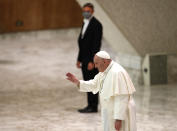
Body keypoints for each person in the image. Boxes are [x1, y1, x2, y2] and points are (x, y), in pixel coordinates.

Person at [66, 51, 137, 131]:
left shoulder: (117, 72)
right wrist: (78, 82)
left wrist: (118, 119)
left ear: (105, 61)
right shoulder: (104, 71)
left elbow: (121, 97)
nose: (95, 66)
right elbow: (94, 84)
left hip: (119, 113)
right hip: (109, 111)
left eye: (97, 63)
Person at [76, 3, 103, 113]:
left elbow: (96, 45)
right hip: (84, 58)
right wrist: (79, 59)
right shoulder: (84, 23)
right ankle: (89, 104)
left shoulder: (97, 25)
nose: (85, 13)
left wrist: (93, 61)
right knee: (87, 82)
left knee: (92, 82)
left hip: (91, 59)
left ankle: (93, 106)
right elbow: (82, 43)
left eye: (88, 11)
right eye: (84, 11)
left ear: (92, 12)